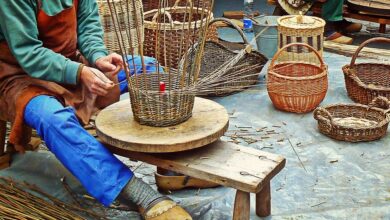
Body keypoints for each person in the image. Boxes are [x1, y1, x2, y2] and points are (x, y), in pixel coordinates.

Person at [0, 0, 191, 219]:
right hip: (20, 78)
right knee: (53, 119)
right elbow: (29, 53)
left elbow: (88, 27)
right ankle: (141, 195)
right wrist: (80, 72)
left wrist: (99, 58)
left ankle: (176, 170)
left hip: (71, 66)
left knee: (150, 70)